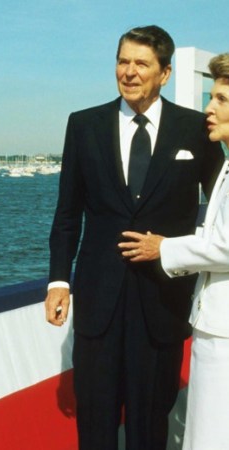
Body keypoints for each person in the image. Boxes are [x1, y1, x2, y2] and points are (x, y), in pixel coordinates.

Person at [44, 25, 224, 450]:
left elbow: (222, 203)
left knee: (150, 423)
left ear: (165, 73)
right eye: (122, 61)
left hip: (163, 301)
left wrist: (181, 251)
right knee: (96, 421)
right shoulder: (84, 125)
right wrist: (58, 281)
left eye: (141, 63)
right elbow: (67, 214)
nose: (129, 72)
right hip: (98, 303)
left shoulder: (195, 128)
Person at [119, 53, 229, 450]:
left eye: (221, 99)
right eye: (211, 97)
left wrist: (164, 248)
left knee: (212, 433)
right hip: (213, 323)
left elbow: (226, 246)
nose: (208, 109)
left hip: (223, 330)